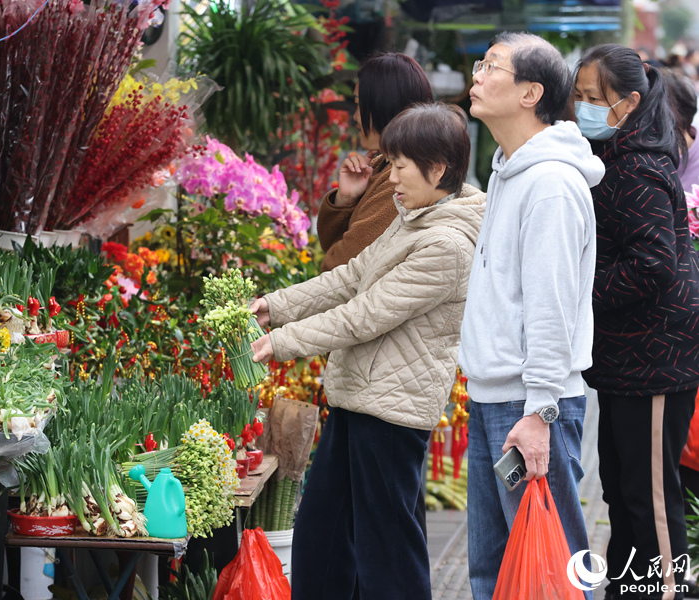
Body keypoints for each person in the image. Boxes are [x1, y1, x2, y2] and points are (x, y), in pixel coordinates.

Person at [249, 103, 485, 600]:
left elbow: (365, 313)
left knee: (387, 549)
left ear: (437, 169)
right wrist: (275, 307)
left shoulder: (447, 244)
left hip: (393, 411)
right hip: (359, 397)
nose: (390, 177)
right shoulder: (414, 215)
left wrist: (281, 343)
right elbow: (351, 277)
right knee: (323, 532)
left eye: (399, 166)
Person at [458, 32, 605, 600]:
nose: (476, 75)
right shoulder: (509, 170)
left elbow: (552, 309)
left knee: (556, 565)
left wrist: (540, 412)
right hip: (497, 398)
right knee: (494, 571)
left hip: (530, 406)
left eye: (491, 66)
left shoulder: (550, 184)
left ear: (530, 92)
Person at [574, 44, 699, 600]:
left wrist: (584, 295)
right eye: (577, 97)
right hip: (630, 361)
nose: (581, 108)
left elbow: (653, 265)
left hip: (657, 363)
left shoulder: (640, 168)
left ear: (627, 103)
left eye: (591, 99)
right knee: (623, 495)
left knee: (650, 501)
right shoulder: (618, 158)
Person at [317, 53, 433, 272]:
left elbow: (339, 265)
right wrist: (345, 199)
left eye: (360, 104)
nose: (355, 117)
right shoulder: (382, 163)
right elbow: (331, 248)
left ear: (384, 106)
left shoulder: (403, 178)